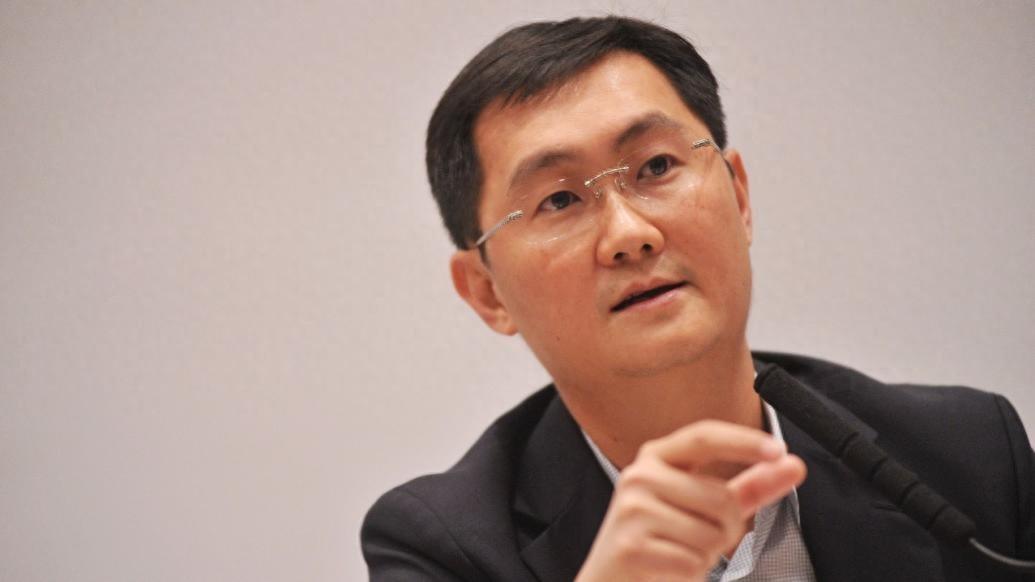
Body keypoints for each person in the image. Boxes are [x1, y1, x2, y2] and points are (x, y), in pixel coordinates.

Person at [360, 16, 1034, 582]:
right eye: (559, 200)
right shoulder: (442, 550)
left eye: (656, 166)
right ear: (486, 293)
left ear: (738, 197)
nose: (629, 234)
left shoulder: (966, 453)